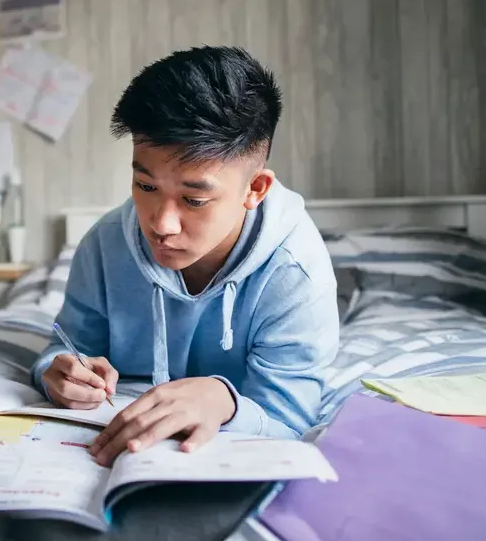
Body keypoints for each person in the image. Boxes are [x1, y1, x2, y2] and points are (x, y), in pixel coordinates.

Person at [30, 46, 339, 467]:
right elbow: (65, 349)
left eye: (194, 200)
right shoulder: (103, 245)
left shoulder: (295, 271)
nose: (162, 224)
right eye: (146, 187)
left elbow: (291, 417)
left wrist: (226, 402)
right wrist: (55, 374)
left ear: (256, 189)